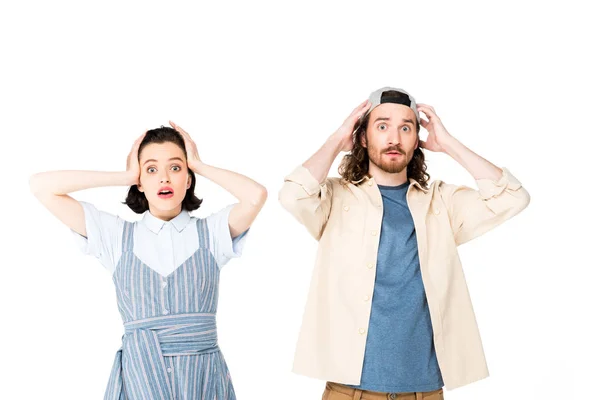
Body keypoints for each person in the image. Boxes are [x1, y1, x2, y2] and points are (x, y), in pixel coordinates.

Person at [278, 87, 530, 400]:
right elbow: (292, 195)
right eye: (382, 126)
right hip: (349, 392)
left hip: (424, 392)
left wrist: (449, 144)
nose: (394, 138)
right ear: (363, 138)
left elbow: (513, 198)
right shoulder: (333, 198)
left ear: (417, 140)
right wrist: (336, 139)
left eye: (406, 128)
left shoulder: (441, 202)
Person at [29, 122, 267, 399]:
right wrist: (126, 175)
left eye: (176, 168)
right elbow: (41, 186)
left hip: (203, 380)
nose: (164, 178)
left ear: (188, 179)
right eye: (151, 169)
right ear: (140, 182)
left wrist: (199, 164)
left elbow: (256, 196)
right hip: (140, 378)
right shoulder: (115, 236)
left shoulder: (212, 233)